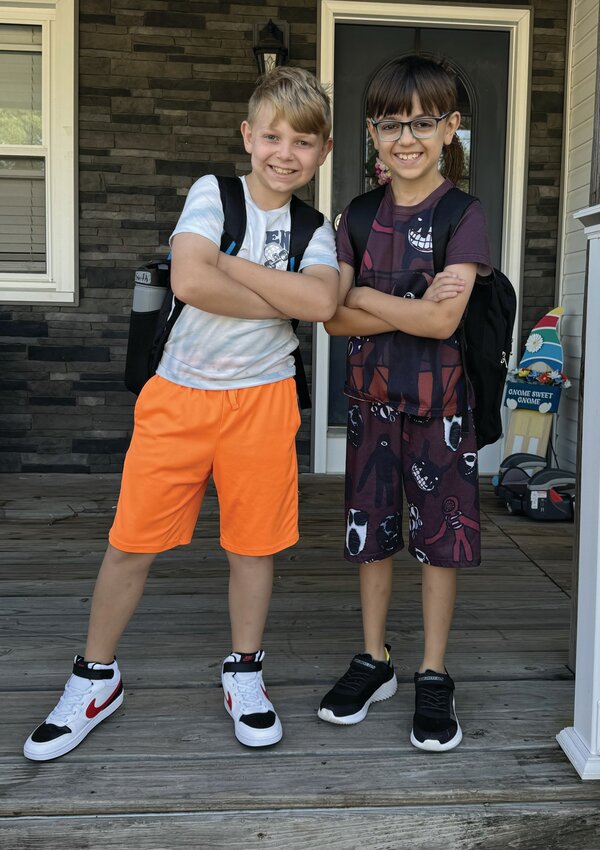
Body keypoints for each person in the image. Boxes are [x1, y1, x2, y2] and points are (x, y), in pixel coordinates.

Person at [24, 66, 339, 760]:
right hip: (179, 394)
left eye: (304, 142)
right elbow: (191, 278)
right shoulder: (215, 193)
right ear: (248, 136)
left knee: (252, 546)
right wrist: (280, 294)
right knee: (131, 540)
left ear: (323, 152)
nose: (286, 153)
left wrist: (239, 274)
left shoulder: (318, 227)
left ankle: (245, 672)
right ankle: (95, 678)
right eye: (274, 136)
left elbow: (321, 306)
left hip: (263, 401)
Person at [317, 55, 491, 751]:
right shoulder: (360, 213)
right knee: (372, 537)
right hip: (370, 406)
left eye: (424, 121)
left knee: (439, 544)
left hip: (441, 408)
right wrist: (404, 305)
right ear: (371, 132)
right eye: (391, 124)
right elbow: (331, 316)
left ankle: (432, 671)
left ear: (451, 128)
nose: (406, 137)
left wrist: (363, 298)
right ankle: (375, 659)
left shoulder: (463, 213)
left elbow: (443, 324)